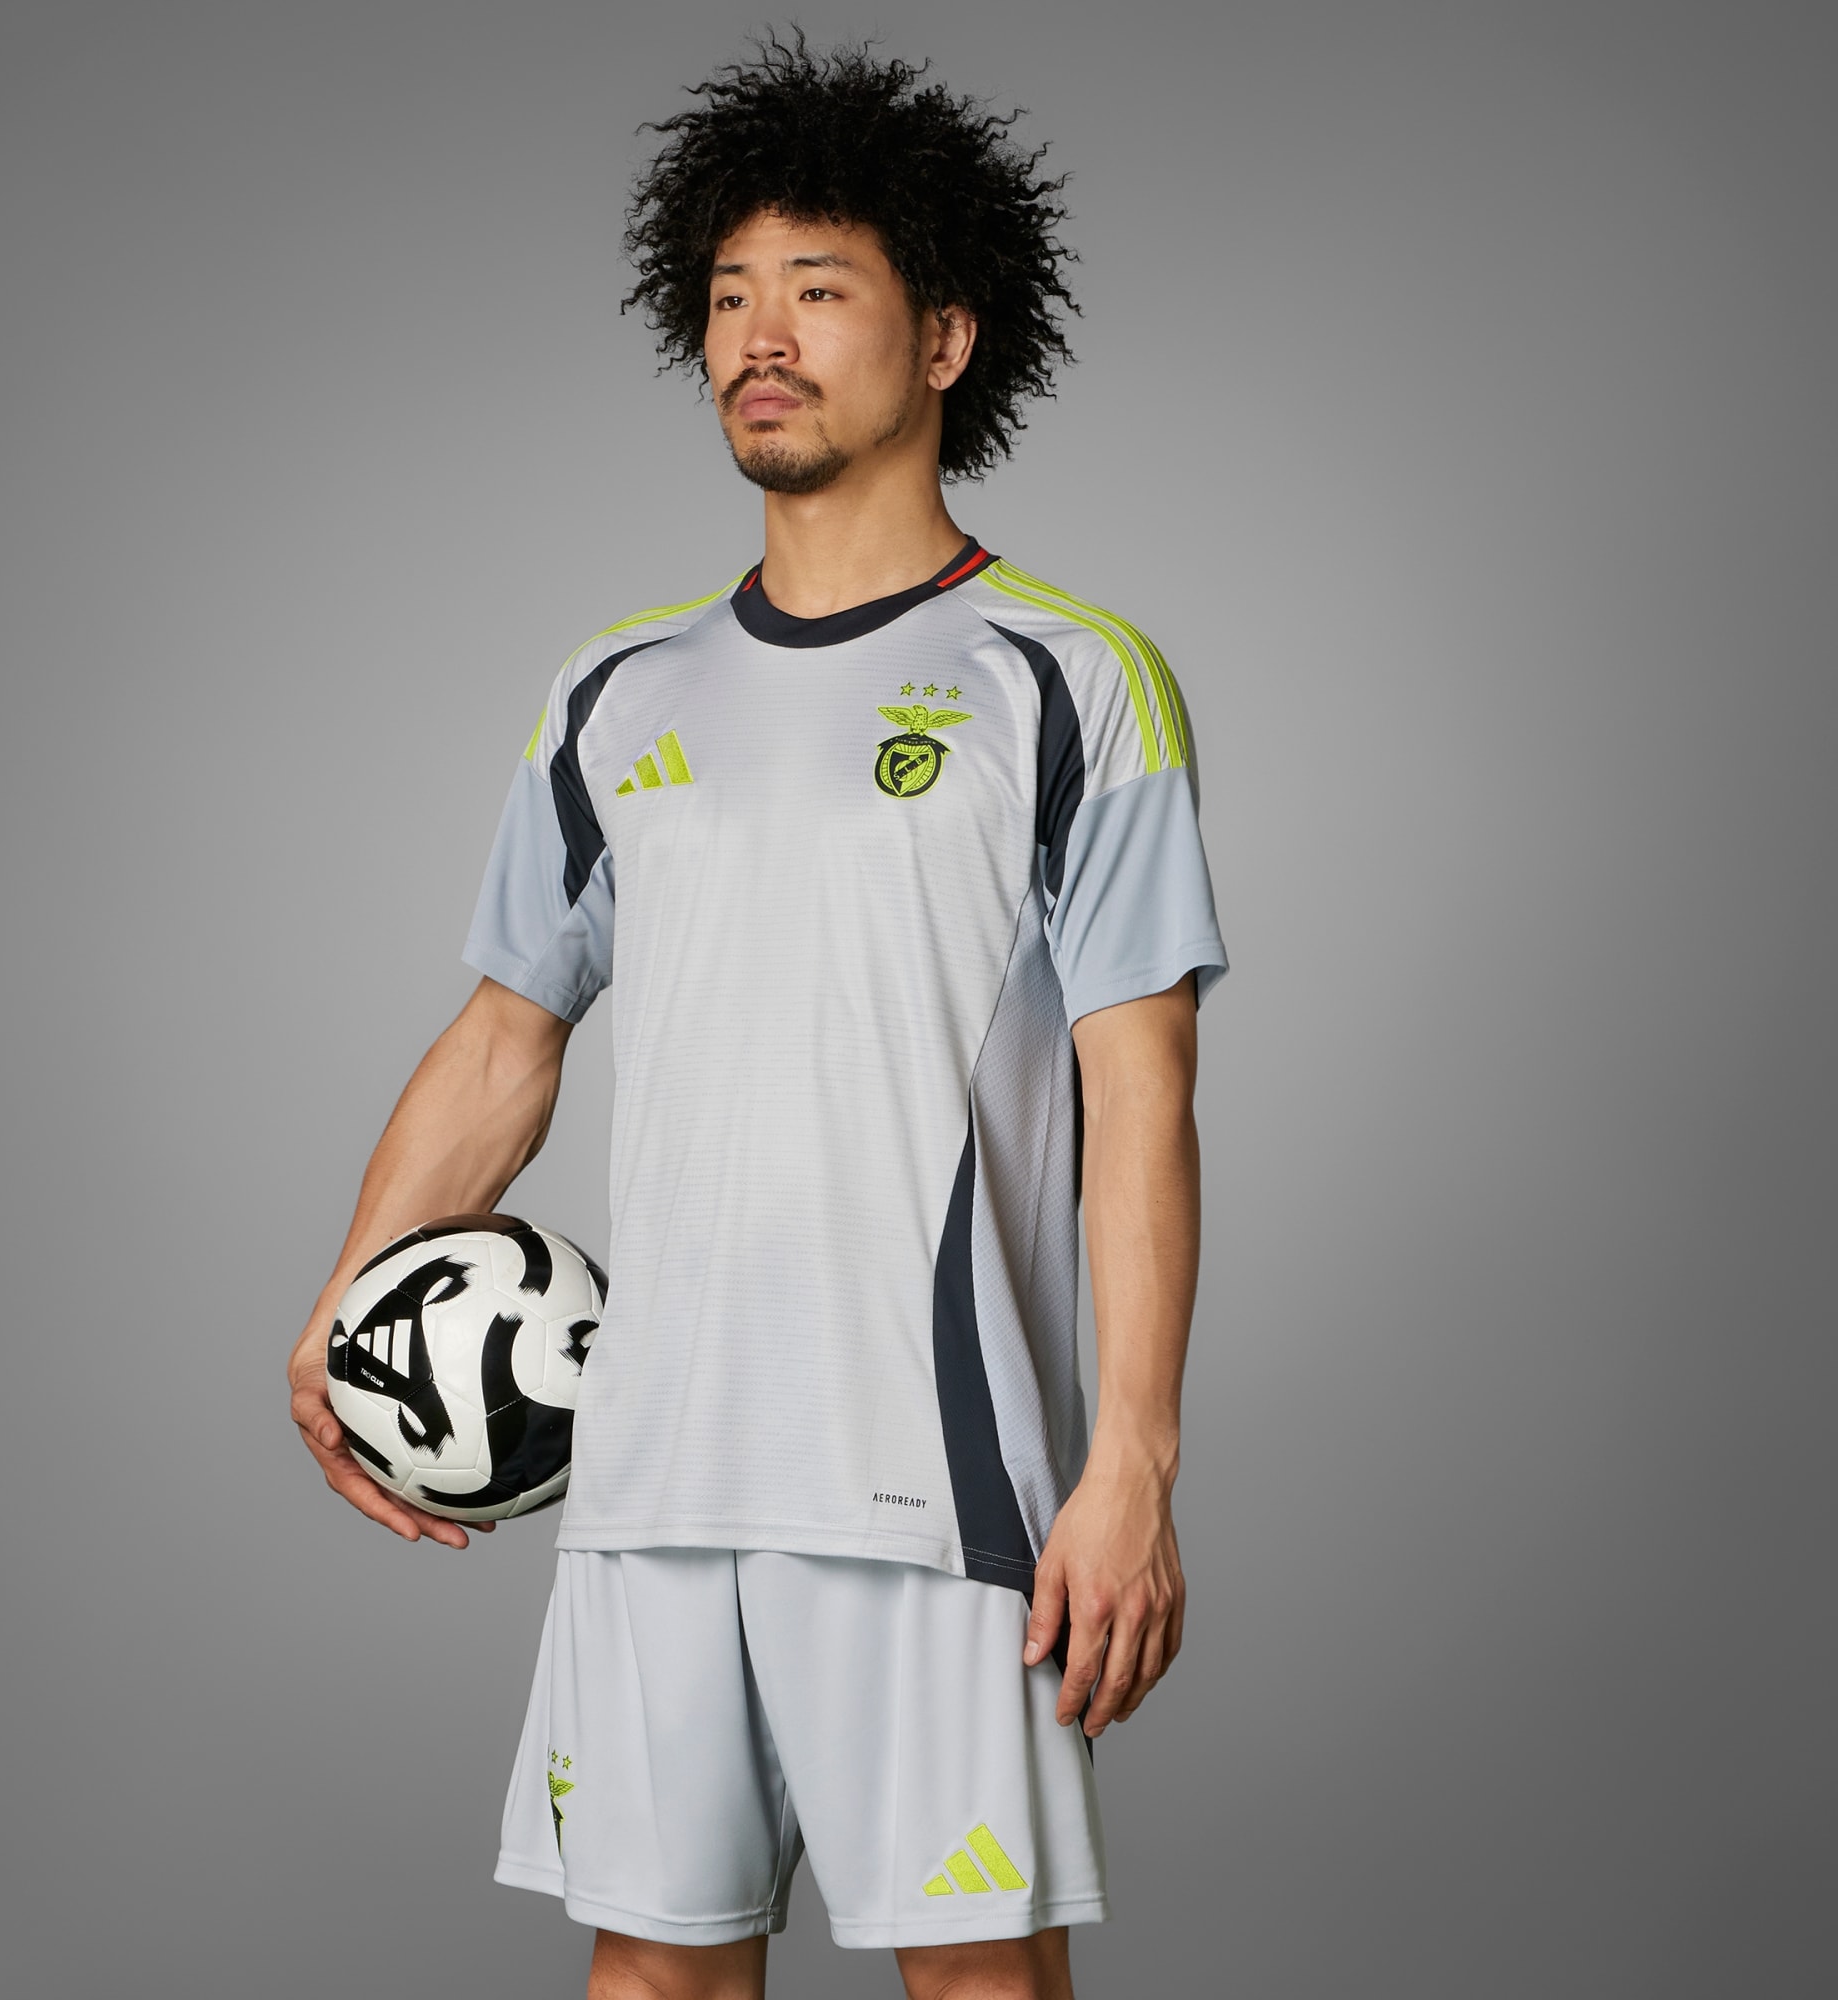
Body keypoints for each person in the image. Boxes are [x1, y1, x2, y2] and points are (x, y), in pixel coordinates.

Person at [287, 38, 1226, 2000]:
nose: (759, 340)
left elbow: (1140, 1095)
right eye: (727, 297)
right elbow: (507, 1033)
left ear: (945, 336)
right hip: (646, 1469)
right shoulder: (613, 690)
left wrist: (1129, 1463)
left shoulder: (1068, 679)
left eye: (816, 289)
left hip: (932, 1482)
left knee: (975, 1981)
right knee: (652, 1978)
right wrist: (354, 1297)